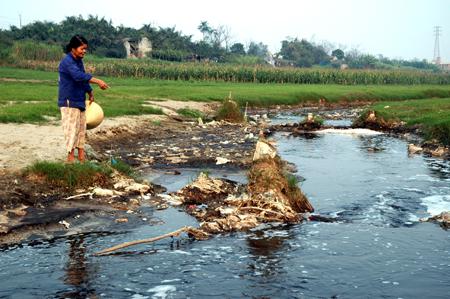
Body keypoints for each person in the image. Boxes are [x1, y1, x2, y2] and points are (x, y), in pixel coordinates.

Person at [58, 35, 109, 163]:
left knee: (81, 130)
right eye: (82, 48)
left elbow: (83, 78)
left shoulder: (78, 61)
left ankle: (81, 159)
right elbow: (77, 76)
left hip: (79, 100)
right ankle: (70, 161)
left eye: (85, 49)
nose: (84, 51)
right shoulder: (67, 61)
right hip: (69, 101)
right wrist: (97, 81)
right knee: (71, 131)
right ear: (73, 48)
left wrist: (90, 91)